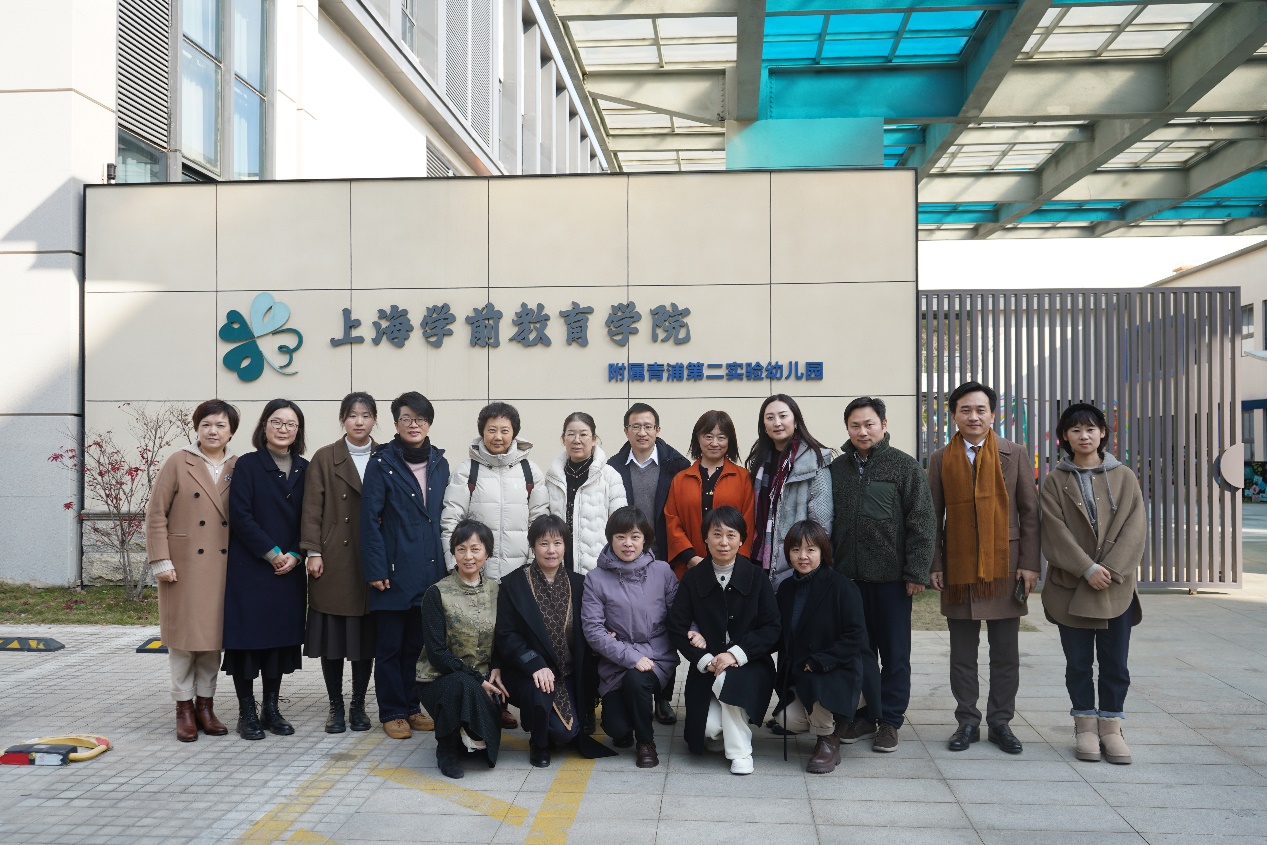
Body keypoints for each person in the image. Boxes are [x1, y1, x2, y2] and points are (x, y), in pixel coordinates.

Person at [928, 381, 1039, 755]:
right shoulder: (940, 458)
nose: (973, 416)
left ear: (993, 414)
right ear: (953, 415)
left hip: (1005, 565)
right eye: (965, 410)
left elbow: (1030, 513)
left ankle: (1001, 722)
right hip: (958, 566)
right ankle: (967, 722)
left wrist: (1029, 564)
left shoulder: (1015, 453)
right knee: (962, 654)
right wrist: (935, 563)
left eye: (980, 410)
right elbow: (933, 516)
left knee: (1005, 653)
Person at [828, 396, 936, 753]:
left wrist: (915, 572)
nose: (863, 431)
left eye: (869, 424)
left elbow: (922, 523)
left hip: (891, 580)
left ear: (884, 425)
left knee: (894, 654)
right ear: (847, 428)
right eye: (855, 425)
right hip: (848, 579)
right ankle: (866, 714)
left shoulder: (905, 467)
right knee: (860, 653)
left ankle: (890, 720)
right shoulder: (837, 469)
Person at [1040, 403, 1145, 765]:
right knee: (1078, 663)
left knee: (1115, 663)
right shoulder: (1055, 480)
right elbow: (1054, 531)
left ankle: (1112, 727)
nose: (1083, 436)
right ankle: (1084, 725)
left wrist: (1110, 570)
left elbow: (1135, 527)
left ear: (1102, 433)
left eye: (1090, 429)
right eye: (1075, 430)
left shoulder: (1124, 476)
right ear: (1064, 437)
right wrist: (1086, 568)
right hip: (1071, 585)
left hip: (1116, 586)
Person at [146, 398, 240, 742]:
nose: (213, 431)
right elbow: (156, 513)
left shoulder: (238, 465)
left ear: (231, 431)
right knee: (184, 642)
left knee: (211, 643)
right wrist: (160, 559)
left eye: (220, 425)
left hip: (222, 566)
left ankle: (206, 706)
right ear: (197, 428)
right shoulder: (178, 461)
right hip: (183, 566)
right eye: (206, 425)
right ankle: (183, 707)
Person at [360, 392, 450, 740]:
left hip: (430, 570)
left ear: (429, 422)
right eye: (406, 418)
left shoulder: (440, 463)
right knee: (390, 648)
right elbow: (369, 520)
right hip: (393, 570)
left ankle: (412, 707)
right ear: (396, 423)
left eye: (420, 418)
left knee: (416, 647)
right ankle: (393, 711)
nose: (414, 425)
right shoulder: (381, 463)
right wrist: (376, 569)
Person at [494, 515, 615, 767]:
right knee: (548, 714)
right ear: (532, 546)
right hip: (529, 672)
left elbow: (591, 624)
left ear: (565, 547)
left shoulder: (579, 584)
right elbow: (506, 635)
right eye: (543, 543)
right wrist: (534, 664)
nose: (551, 550)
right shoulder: (513, 584)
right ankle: (538, 744)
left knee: (567, 733)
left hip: (567, 672)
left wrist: (606, 636)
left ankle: (553, 724)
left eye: (557, 543)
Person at [667, 506, 780, 775]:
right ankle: (730, 728)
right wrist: (705, 660)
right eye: (716, 534)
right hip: (707, 667)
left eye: (731, 535)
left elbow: (773, 628)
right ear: (705, 538)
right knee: (709, 731)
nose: (724, 542)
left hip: (750, 665)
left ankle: (740, 752)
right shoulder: (693, 578)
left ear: (742, 539)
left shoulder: (756, 577)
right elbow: (676, 627)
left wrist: (735, 654)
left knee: (726, 680)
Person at [223, 399, 309, 740]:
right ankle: (247, 711)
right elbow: (240, 515)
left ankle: (271, 708)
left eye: (290, 424)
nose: (283, 429)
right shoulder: (247, 465)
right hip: (251, 568)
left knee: (279, 642)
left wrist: (296, 553)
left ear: (298, 431)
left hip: (290, 569)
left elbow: (313, 517)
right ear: (264, 426)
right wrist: (272, 553)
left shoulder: (306, 468)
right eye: (276, 422)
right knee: (248, 641)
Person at [606, 402, 690, 726]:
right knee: (628, 627)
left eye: (648, 426)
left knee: (664, 627)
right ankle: (631, 690)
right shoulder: (613, 467)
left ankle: (663, 696)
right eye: (635, 426)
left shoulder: (677, 465)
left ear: (658, 430)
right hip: (626, 560)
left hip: (664, 561)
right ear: (626, 431)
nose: (642, 432)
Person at [299, 392, 379, 734]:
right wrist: (313, 551)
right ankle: (335, 706)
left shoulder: (385, 455)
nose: (359, 421)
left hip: (371, 559)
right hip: (333, 559)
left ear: (375, 420)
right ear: (342, 419)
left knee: (364, 640)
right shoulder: (324, 457)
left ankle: (358, 705)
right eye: (352, 415)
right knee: (332, 639)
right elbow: (311, 508)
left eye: (365, 415)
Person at [581, 506, 680, 768]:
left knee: (638, 680)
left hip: (656, 657)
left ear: (645, 539)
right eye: (621, 537)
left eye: (635, 536)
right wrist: (631, 657)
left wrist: (693, 631)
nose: (628, 543)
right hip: (616, 660)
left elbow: (680, 614)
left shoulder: (662, 571)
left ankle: (646, 743)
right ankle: (628, 723)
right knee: (616, 728)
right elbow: (593, 630)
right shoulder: (595, 579)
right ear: (610, 539)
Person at [771, 521, 868, 774]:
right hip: (799, 672)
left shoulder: (842, 587)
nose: (802, 556)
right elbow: (777, 634)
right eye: (795, 550)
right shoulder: (786, 589)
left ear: (823, 552)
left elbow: (855, 636)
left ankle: (827, 741)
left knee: (816, 685)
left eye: (810, 549)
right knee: (786, 718)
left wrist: (819, 661)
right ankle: (835, 724)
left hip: (838, 670)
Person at [418, 519, 508, 779]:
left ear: (487, 553)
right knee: (460, 684)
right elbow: (436, 653)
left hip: (484, 682)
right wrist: (477, 680)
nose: (468, 556)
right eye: (461, 549)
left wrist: (497, 667)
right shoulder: (436, 593)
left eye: (475, 549)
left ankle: (468, 733)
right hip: (439, 680)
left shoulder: (497, 591)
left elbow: (504, 637)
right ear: (453, 553)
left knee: (482, 746)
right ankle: (445, 749)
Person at [441, 402, 549, 583]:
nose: (498, 437)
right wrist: (455, 565)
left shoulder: (530, 471)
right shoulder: (466, 471)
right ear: (482, 432)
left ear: (514, 433)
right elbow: (451, 521)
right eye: (492, 430)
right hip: (475, 576)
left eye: (505, 431)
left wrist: (533, 565)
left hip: (520, 576)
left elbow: (539, 523)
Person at [745, 394, 833, 589]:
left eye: (783, 416)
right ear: (764, 426)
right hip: (759, 560)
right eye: (770, 418)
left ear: (796, 420)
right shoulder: (760, 462)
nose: (777, 423)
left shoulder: (814, 461)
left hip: (798, 566)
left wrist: (805, 559)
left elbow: (822, 526)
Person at [663, 410, 756, 580]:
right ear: (698, 439)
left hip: (733, 570)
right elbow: (672, 521)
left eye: (721, 437)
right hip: (690, 569)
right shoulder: (681, 479)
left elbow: (748, 523)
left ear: (730, 440)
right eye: (708, 436)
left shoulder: (743, 478)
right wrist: (690, 558)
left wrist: (735, 563)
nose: (714, 443)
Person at [543, 412, 627, 574]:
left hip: (598, 567)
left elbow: (621, 525)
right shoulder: (553, 477)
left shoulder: (609, 476)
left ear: (594, 439)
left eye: (583, 434)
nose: (577, 440)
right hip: (559, 565)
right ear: (563, 439)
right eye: (571, 434)